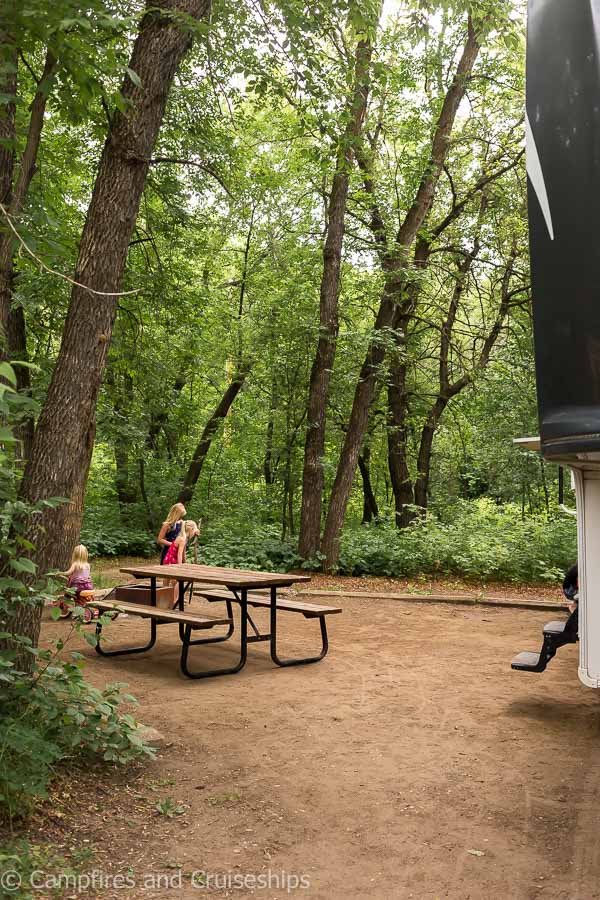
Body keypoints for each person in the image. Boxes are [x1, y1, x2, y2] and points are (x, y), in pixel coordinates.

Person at [161, 520, 200, 606]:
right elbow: (179, 554)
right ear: (191, 530)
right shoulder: (182, 539)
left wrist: (185, 563)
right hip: (171, 561)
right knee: (179, 580)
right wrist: (180, 567)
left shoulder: (182, 537)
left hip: (170, 559)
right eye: (194, 531)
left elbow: (183, 554)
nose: (193, 534)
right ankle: (175, 600)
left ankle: (175, 598)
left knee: (175, 581)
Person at [56, 544, 96, 620]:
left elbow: (68, 573)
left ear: (75, 554)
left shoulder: (75, 564)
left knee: (68, 594)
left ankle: (75, 611)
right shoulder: (87, 565)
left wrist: (60, 573)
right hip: (88, 586)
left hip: (78, 587)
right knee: (80, 597)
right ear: (85, 554)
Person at [562, 562, 579, 639]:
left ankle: (575, 606)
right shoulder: (580, 568)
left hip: (572, 587)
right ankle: (574, 608)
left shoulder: (579, 564)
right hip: (569, 590)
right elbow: (579, 585)